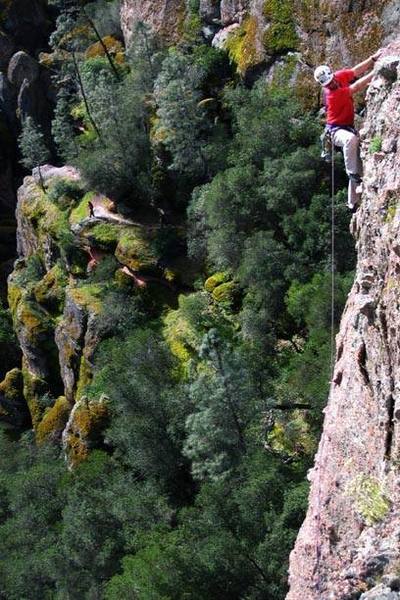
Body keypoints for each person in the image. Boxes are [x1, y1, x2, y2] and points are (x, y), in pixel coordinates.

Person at [314, 49, 383, 210]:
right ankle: (351, 172)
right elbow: (357, 86)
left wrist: (372, 59)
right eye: (327, 84)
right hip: (335, 131)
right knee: (350, 141)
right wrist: (376, 71)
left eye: (331, 81)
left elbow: (355, 71)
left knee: (359, 165)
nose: (330, 84)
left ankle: (353, 202)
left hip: (347, 127)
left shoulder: (338, 76)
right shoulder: (332, 94)